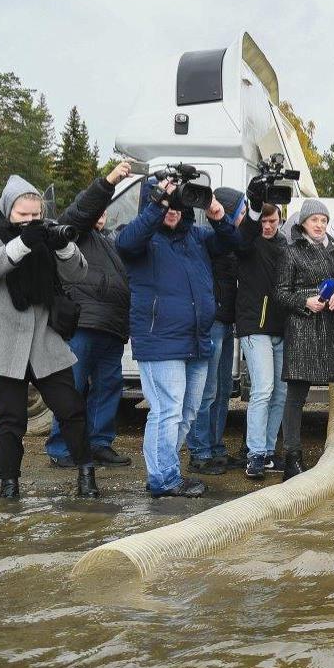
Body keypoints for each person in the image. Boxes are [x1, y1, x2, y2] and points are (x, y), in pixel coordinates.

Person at [115, 176, 242, 498]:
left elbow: (233, 243)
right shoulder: (140, 239)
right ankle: (163, 478)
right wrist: (160, 203)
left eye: (179, 205)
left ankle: (164, 470)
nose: (173, 211)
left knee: (186, 413)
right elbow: (127, 243)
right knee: (167, 410)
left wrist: (216, 213)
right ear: (152, 205)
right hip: (160, 342)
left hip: (196, 341)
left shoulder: (197, 238)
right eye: (166, 206)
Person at [0, 175, 99, 498]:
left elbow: (79, 273)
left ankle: (86, 474)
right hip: (4, 344)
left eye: (35, 216)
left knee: (71, 408)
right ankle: (9, 485)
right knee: (11, 418)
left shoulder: (47, 233)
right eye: (23, 216)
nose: (31, 222)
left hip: (45, 342)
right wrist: (22, 243)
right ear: (8, 211)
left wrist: (62, 246)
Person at [44, 161, 133, 469]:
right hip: (83, 323)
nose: (101, 214)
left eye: (105, 210)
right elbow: (82, 210)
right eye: (99, 209)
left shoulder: (108, 241)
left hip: (112, 326)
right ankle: (60, 446)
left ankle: (98, 444)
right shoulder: (72, 232)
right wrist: (108, 182)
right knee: (73, 386)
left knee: (108, 387)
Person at [273, 199, 334, 481]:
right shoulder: (290, 252)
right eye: (314, 220)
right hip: (305, 329)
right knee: (296, 397)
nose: (320, 225)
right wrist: (305, 301)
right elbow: (280, 293)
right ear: (303, 223)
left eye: (324, 220)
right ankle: (292, 459)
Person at [186, 187, 245, 475]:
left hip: (228, 321)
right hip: (213, 323)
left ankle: (216, 445)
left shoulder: (234, 240)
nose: (244, 216)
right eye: (241, 210)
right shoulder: (211, 240)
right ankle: (199, 450)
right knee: (206, 390)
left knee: (222, 389)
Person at [234, 200, 288, 480]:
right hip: (254, 327)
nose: (267, 226)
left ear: (280, 219)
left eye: (272, 221)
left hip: (281, 329)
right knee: (263, 389)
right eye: (263, 221)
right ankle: (254, 453)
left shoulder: (286, 247)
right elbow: (243, 237)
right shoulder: (248, 243)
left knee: (280, 393)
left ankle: (267, 451)